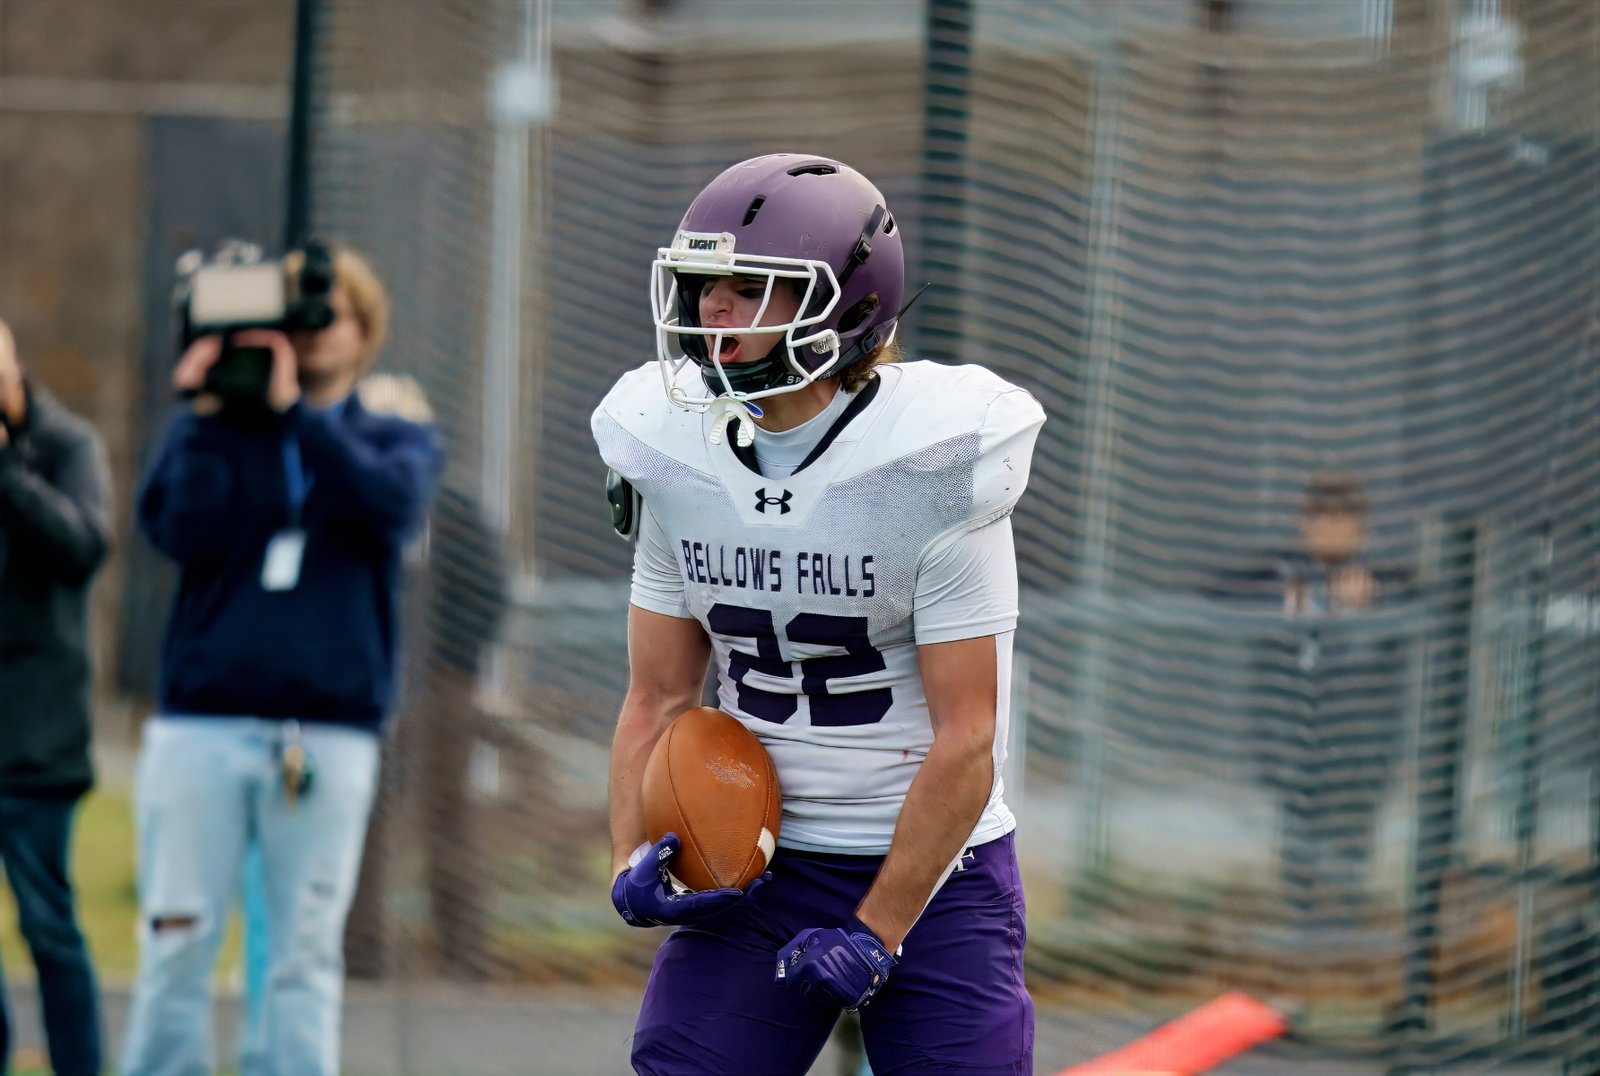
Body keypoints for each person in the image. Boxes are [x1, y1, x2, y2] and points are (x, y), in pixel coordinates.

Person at [592, 153, 1045, 1075]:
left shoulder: (929, 462)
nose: (713, 310)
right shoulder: (670, 450)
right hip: (756, 861)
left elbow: (968, 737)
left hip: (938, 876)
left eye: (748, 288)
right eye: (704, 286)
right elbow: (657, 697)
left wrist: (878, 931)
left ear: (848, 305)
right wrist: (628, 854)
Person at [121, 245, 442, 1075]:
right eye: (297, 314)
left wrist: (298, 413)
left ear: (365, 330)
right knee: (176, 938)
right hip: (203, 721)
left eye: (331, 313)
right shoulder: (218, 431)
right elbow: (174, 531)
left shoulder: (394, 431)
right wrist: (204, 411)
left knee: (302, 951)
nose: (313, 329)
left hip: (327, 727)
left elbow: (389, 507)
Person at [0, 317, 109, 1076]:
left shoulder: (67, 447)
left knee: (48, 926)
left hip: (37, 738)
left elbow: (80, 548)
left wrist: (5, 471)